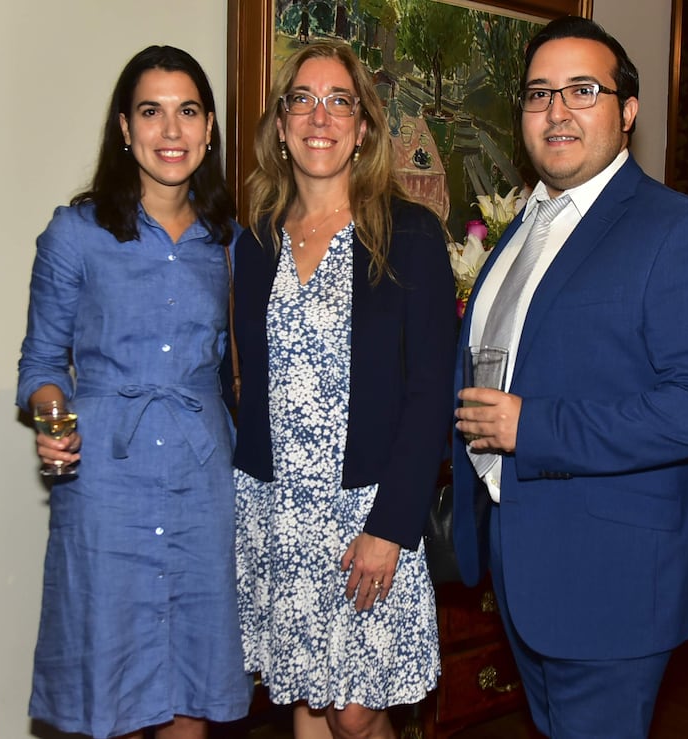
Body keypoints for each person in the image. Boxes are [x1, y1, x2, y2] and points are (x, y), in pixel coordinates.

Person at [452, 16, 688, 738]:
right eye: (538, 93)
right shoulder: (526, 223)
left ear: (628, 110)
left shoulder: (680, 231)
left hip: (611, 579)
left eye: (583, 89)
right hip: (522, 563)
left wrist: (534, 427)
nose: (557, 111)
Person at [17, 45, 252, 739]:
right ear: (124, 127)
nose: (170, 131)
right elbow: (39, 364)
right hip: (104, 485)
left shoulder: (231, 241)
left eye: (187, 112)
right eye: (151, 112)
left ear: (209, 129)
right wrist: (53, 417)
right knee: (111, 690)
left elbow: (240, 369)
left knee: (191, 689)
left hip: (202, 476)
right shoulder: (76, 233)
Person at [229, 41, 456, 739]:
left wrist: (392, 526)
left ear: (363, 127)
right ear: (281, 123)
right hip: (279, 512)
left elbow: (429, 396)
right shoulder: (256, 241)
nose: (319, 116)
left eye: (339, 101)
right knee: (305, 694)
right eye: (303, 99)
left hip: (368, 507)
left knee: (357, 714)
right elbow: (241, 377)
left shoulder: (410, 234)